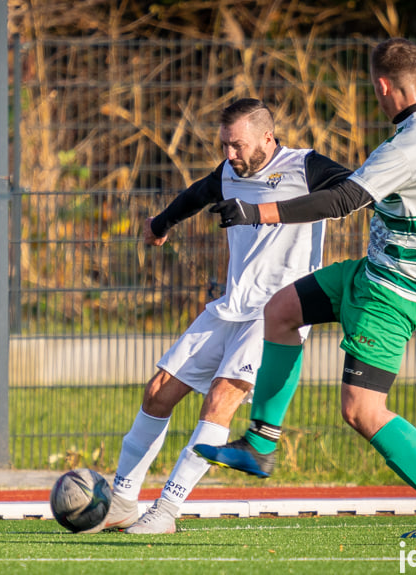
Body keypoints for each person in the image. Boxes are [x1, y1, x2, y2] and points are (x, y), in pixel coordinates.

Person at [195, 38, 416, 538]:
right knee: (280, 310)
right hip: (374, 271)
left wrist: (255, 212)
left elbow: (340, 201)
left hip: (393, 293)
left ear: (382, 87)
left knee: (362, 410)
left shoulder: (403, 148)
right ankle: (260, 445)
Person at [85, 98, 351, 534]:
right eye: (225, 145)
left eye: (238, 145)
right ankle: (122, 501)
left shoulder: (306, 166)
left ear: (267, 137)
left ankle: (166, 511)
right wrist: (161, 224)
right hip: (231, 306)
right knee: (158, 392)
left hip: (277, 313)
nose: (230, 154)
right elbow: (198, 193)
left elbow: (360, 190)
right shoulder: (230, 171)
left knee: (221, 400)